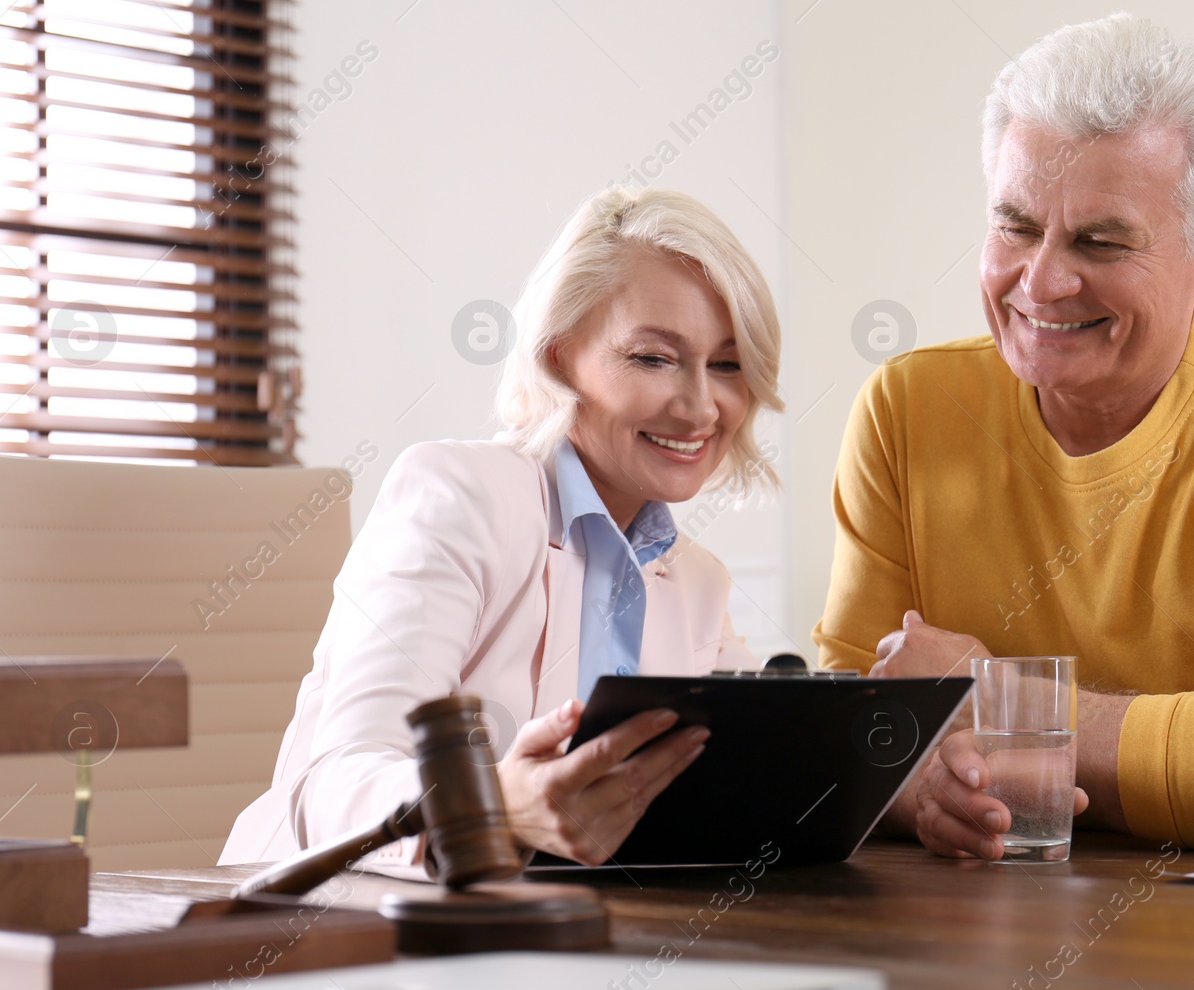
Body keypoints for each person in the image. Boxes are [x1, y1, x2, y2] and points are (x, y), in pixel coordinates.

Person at [815, 14, 1194, 857]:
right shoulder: (907, 408)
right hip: (988, 952)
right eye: (1016, 227)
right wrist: (919, 786)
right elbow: (839, 740)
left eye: (1099, 241)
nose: (1042, 281)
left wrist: (996, 702)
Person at [222, 187, 781, 868]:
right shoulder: (459, 498)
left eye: (726, 365)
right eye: (652, 358)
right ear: (555, 358)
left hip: (558, 942)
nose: (700, 406)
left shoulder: (695, 582)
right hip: (340, 934)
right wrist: (492, 809)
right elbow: (333, 789)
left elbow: (770, 774)